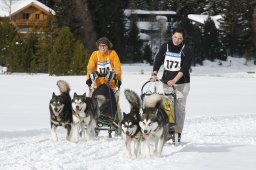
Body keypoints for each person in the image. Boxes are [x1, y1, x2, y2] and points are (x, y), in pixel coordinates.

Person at [150, 27, 192, 143]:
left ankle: (178, 132)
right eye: (175, 37)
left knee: (179, 108)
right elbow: (158, 60)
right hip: (166, 83)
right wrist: (154, 73)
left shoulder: (186, 50)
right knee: (167, 106)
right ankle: (168, 130)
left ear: (183, 39)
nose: (177, 40)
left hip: (182, 83)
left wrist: (174, 80)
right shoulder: (166, 46)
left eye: (180, 38)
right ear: (172, 36)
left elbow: (184, 68)